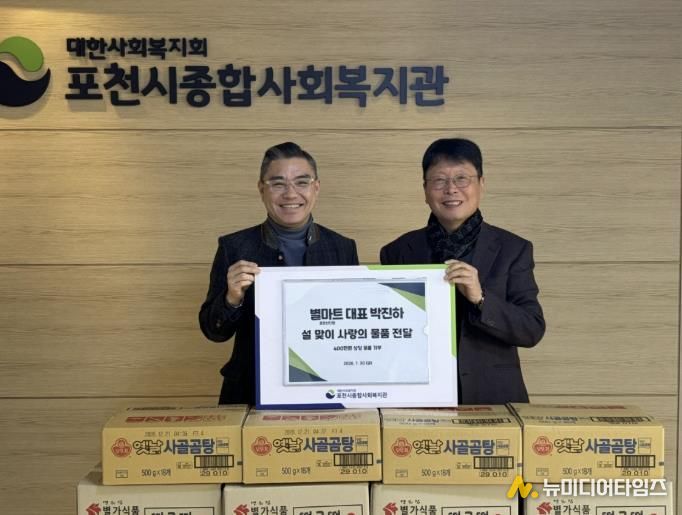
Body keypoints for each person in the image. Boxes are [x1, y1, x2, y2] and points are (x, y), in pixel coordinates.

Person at [380, 138, 545, 404]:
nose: (451, 189)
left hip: (493, 398)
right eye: (439, 180)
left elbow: (531, 330)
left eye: (461, 178)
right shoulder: (397, 252)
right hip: (419, 398)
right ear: (425, 190)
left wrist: (481, 299)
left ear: (481, 184)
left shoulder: (513, 249)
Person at [199, 142, 359, 405]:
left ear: (316, 188)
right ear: (261, 189)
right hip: (251, 390)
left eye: (301, 182)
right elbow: (213, 331)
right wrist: (232, 298)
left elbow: (353, 323)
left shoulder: (342, 247)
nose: (290, 193)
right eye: (278, 184)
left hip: (325, 386)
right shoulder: (235, 247)